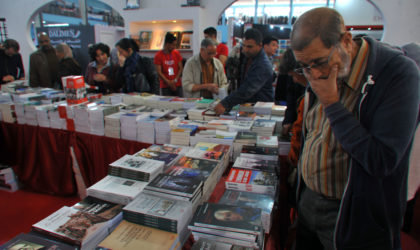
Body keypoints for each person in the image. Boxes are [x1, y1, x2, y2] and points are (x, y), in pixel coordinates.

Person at [290, 7, 419, 250]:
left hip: (353, 216)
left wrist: (331, 103)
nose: (314, 75)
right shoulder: (317, 72)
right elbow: (314, 135)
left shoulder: (398, 74)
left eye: (319, 62)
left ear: (346, 41)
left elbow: (382, 160)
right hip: (308, 203)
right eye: (304, 66)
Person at [214, 28, 274, 115]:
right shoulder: (248, 57)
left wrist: (225, 103)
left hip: (261, 109)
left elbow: (248, 89)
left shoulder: (262, 64)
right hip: (249, 107)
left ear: (260, 45)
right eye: (244, 45)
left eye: (249, 47)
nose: (245, 49)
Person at [277, 48, 306, 137]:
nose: (295, 80)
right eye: (291, 76)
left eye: (295, 76)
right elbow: (291, 98)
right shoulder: (293, 76)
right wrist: (288, 120)